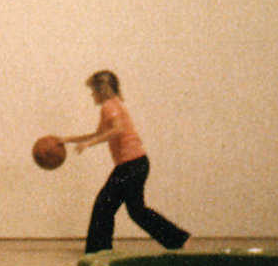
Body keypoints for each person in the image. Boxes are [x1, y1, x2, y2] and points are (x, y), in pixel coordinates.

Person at [60, 70, 189, 254]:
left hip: (131, 165)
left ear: (102, 89)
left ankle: (99, 250)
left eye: (93, 90)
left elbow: (117, 129)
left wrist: (88, 144)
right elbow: (100, 133)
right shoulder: (113, 105)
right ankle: (179, 240)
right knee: (135, 211)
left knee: (104, 205)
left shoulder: (109, 107)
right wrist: (67, 139)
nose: (91, 95)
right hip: (136, 164)